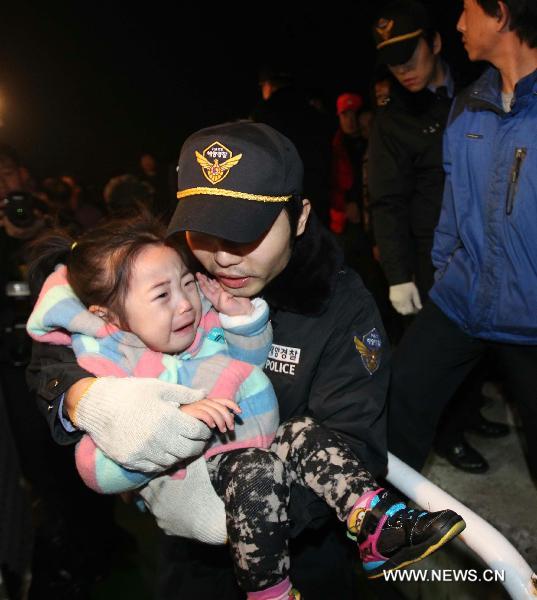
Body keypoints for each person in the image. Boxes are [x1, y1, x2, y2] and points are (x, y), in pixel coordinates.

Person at [27, 122, 462, 599]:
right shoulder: (173, 263)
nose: (221, 258)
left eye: (244, 233)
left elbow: (354, 440)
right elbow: (67, 318)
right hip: (187, 561)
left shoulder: (340, 306)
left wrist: (248, 510)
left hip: (301, 549)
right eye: (204, 231)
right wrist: (84, 398)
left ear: (298, 218)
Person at [387, 0, 537, 480]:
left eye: (468, 9)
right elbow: (451, 210)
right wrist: (440, 279)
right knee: (401, 399)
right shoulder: (468, 104)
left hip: (530, 319)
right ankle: (382, 532)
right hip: (462, 300)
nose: (457, 23)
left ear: (501, 14)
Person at [368, 0, 505, 472]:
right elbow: (386, 201)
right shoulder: (392, 118)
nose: (403, 68)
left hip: (485, 248)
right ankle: (447, 438)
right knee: (432, 363)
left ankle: (467, 417)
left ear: (437, 42)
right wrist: (397, 275)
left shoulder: (478, 86)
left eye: (411, 53)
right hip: (428, 255)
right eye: (392, 60)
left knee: (476, 350)